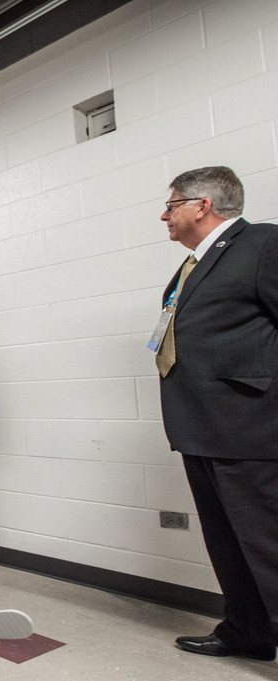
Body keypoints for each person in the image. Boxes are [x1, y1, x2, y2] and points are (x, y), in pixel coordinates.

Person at [154, 166, 278, 663]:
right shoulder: (192, 266)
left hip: (251, 425)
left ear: (203, 205)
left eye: (172, 203)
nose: (165, 214)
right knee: (227, 543)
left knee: (268, 545)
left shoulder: (262, 244)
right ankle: (249, 630)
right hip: (201, 426)